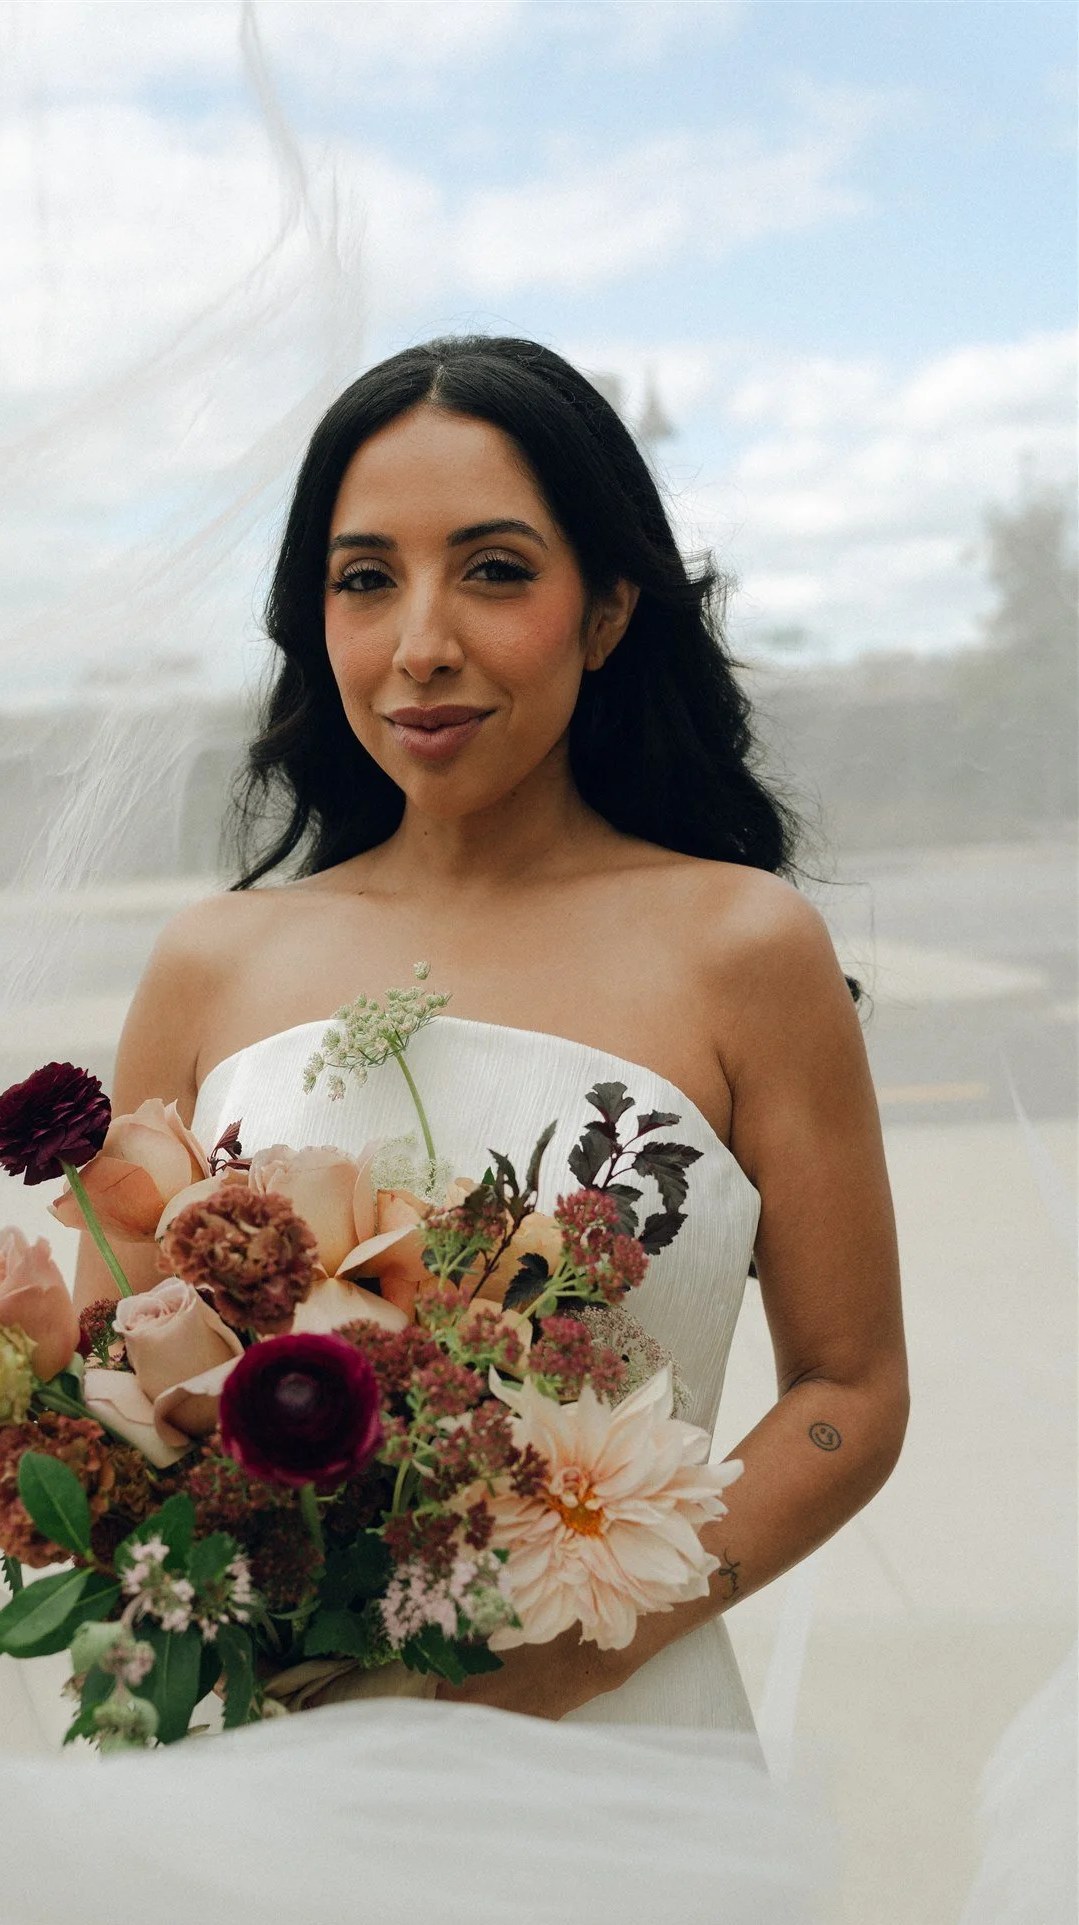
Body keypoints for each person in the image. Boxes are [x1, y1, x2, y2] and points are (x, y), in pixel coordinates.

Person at [75, 333, 911, 1732]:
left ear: (609, 609)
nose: (422, 645)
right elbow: (112, 1392)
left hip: (611, 1746)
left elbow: (852, 1393)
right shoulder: (209, 963)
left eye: (496, 570)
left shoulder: (745, 948)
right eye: (365, 579)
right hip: (265, 1756)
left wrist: (581, 1656)